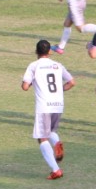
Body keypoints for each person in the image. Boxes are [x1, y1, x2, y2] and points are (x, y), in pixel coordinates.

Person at [21, 39, 75, 180]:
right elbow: (71, 82)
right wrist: (59, 91)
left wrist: (33, 82)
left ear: (36, 52)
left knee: (41, 137)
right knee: (50, 131)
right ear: (49, 52)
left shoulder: (34, 66)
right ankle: (56, 143)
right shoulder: (57, 65)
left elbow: (25, 87)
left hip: (44, 105)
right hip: (58, 104)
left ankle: (56, 170)